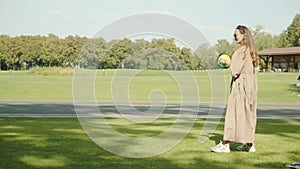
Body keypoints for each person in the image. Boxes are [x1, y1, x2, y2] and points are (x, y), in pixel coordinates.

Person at [211, 25, 259, 153]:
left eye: (236, 34)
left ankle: (225, 144)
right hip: (251, 88)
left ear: (243, 35)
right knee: (249, 115)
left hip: (241, 88)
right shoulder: (251, 50)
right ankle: (250, 144)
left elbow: (235, 71)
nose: (234, 37)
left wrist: (226, 63)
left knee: (232, 114)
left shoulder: (241, 51)